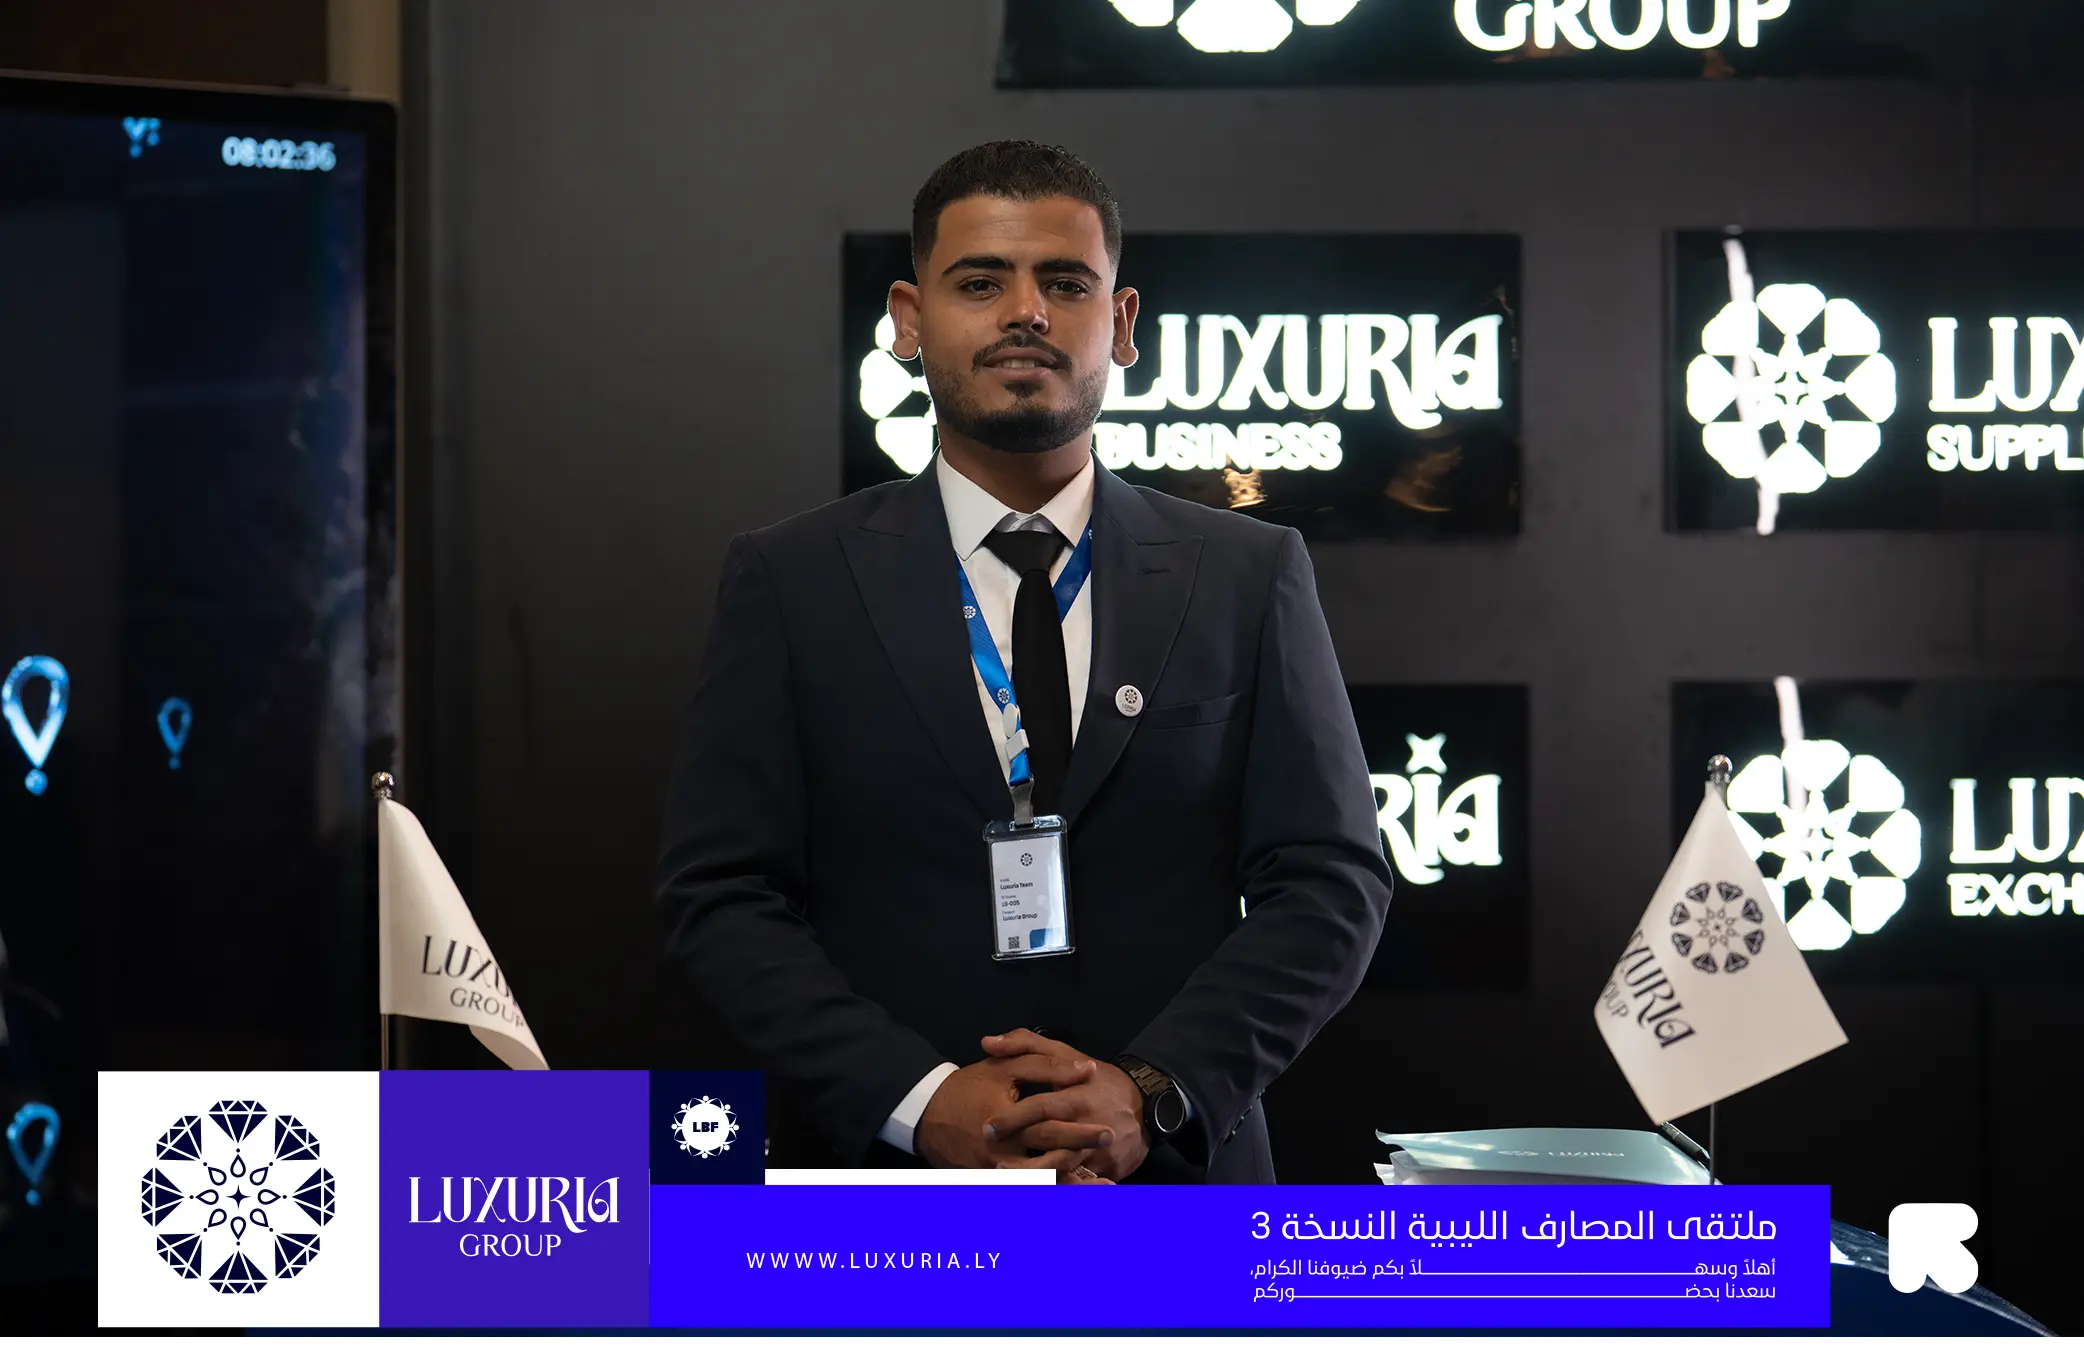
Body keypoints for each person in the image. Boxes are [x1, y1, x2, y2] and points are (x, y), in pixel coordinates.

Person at [655, 140, 1390, 1184]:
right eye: (980, 282)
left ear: (1121, 324)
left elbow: (1330, 884)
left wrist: (1151, 1089)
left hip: (1173, 1185)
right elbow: (722, 894)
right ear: (908, 319)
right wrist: (917, 1102)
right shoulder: (790, 580)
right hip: (890, 1196)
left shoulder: (1246, 570)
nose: (1026, 313)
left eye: (1064, 283)